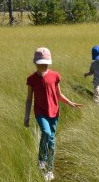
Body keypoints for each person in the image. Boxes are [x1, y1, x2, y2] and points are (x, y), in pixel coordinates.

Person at [24, 47, 82, 181]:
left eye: (45, 63)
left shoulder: (55, 76)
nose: (43, 65)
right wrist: (26, 116)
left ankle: (49, 169)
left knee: (52, 142)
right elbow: (29, 99)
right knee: (47, 133)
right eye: (40, 63)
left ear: (49, 63)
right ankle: (41, 159)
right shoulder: (31, 79)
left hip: (54, 112)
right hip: (40, 113)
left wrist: (70, 102)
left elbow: (58, 94)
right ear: (35, 62)